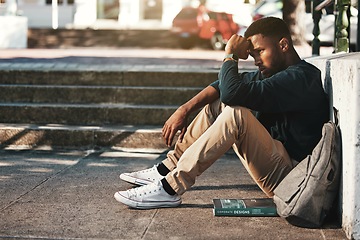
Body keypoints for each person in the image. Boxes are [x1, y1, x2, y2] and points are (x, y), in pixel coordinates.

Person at [114, 17, 330, 209]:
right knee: (218, 104)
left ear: (283, 44)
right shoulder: (275, 74)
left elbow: (232, 92)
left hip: (292, 181)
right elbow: (221, 87)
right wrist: (185, 109)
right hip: (278, 164)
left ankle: (170, 188)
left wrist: (231, 56)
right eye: (253, 54)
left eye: (260, 52)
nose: (256, 61)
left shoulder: (300, 79)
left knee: (236, 114)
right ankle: (168, 167)